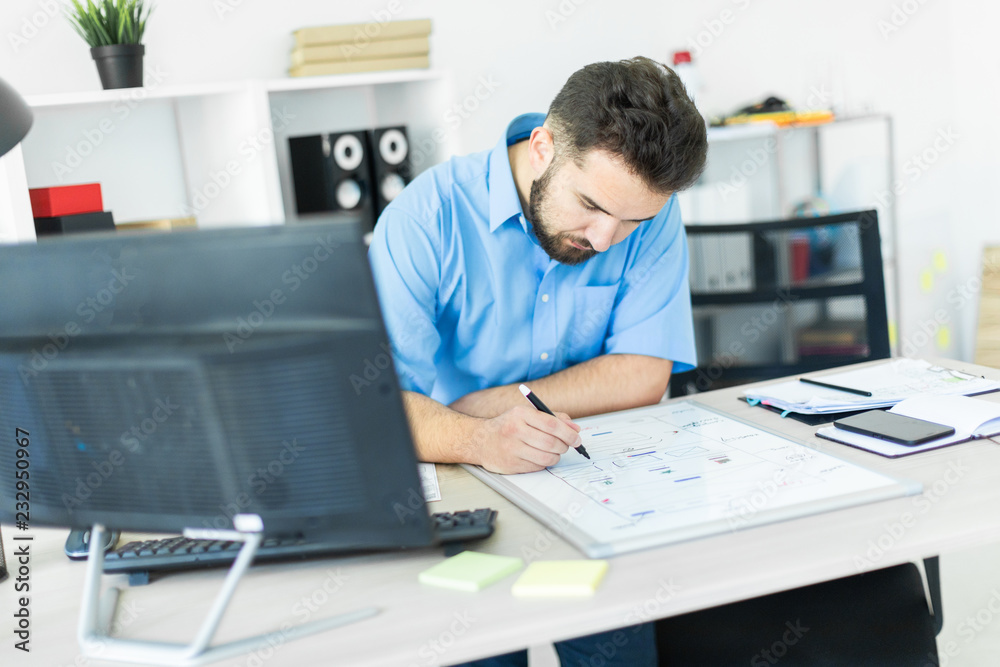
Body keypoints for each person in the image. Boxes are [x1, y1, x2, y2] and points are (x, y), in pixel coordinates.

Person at [369, 56, 707, 667]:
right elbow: (378, 407)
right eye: (592, 207)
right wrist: (476, 436)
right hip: (462, 482)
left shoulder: (647, 211)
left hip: (592, 482)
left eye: (632, 222)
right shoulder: (424, 222)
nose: (606, 239)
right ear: (543, 147)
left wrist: (497, 403)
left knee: (618, 652)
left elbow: (645, 373)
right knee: (482, 651)